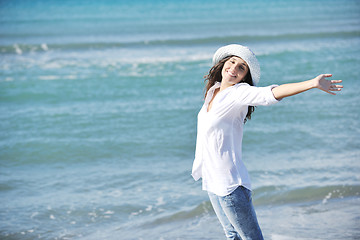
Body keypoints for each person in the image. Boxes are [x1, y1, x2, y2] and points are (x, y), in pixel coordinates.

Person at [191, 44, 343, 240]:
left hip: (230, 184)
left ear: (245, 77)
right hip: (211, 180)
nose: (234, 68)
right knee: (231, 235)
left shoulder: (239, 92)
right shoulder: (214, 90)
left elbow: (272, 93)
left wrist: (312, 83)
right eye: (232, 62)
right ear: (223, 64)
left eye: (242, 67)